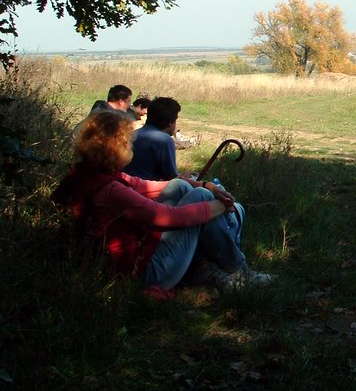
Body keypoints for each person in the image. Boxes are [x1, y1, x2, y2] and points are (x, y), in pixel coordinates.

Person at [52, 111, 272, 294]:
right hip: (145, 274)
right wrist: (220, 205)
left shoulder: (89, 174)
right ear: (115, 146)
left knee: (181, 187)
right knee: (200, 200)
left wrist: (206, 185)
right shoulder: (111, 190)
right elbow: (171, 217)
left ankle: (203, 267)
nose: (131, 146)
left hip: (125, 263)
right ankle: (236, 268)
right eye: (127, 142)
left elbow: (153, 185)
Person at [124, 96, 181, 181]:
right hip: (145, 190)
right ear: (170, 123)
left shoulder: (132, 134)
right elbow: (171, 178)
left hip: (124, 185)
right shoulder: (164, 140)